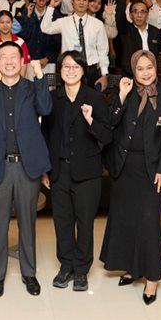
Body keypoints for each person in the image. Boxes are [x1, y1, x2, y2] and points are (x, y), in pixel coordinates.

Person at [100, 50, 161, 305]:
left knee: (147, 221)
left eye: (149, 67)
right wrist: (122, 96)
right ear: (133, 71)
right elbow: (110, 123)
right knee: (126, 219)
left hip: (152, 170)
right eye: (140, 68)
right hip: (124, 167)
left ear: (156, 68)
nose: (145, 73)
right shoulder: (125, 91)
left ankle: (152, 277)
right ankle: (131, 268)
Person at [0, 49, 50, 297]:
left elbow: (46, 108)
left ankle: (29, 273)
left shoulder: (32, 88)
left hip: (26, 168)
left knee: (27, 224)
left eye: (14, 57)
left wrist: (40, 76)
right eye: (4, 57)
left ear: (21, 62)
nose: (9, 62)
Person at [40, 50, 111, 292]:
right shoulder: (53, 98)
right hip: (59, 171)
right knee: (62, 222)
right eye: (66, 66)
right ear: (60, 71)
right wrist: (45, 169)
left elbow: (107, 135)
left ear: (83, 70)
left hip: (87, 173)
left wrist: (91, 120)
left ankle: (81, 269)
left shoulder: (95, 97)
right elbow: (45, 135)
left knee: (85, 223)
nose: (71, 70)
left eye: (76, 66)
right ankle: (66, 266)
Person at [40, 0, 110, 90]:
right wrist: (51, 7)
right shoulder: (64, 22)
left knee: (91, 99)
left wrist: (104, 74)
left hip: (91, 70)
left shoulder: (97, 24)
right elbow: (45, 28)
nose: (81, 2)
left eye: (85, 0)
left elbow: (103, 51)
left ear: (88, 3)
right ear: (72, 2)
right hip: (69, 69)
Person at [113, 0, 161, 74]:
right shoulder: (126, 29)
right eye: (135, 11)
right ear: (130, 15)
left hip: (151, 74)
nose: (139, 15)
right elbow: (120, 16)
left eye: (143, 12)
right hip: (131, 74)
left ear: (147, 14)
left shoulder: (155, 31)